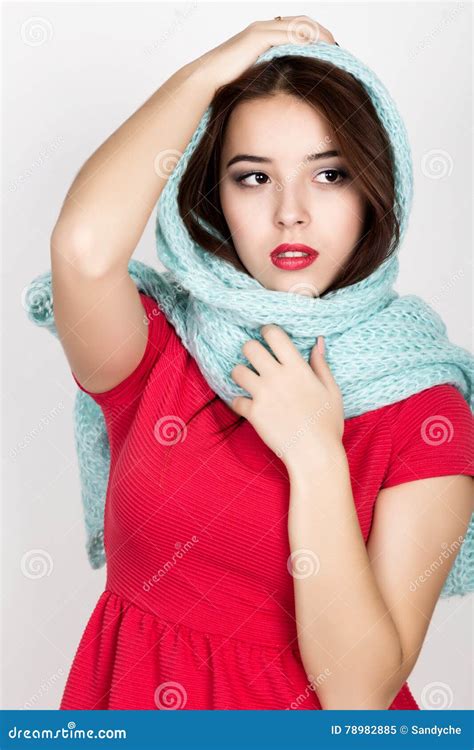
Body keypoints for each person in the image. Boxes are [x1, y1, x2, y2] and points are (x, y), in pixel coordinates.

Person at [49, 16, 473, 710]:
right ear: (214, 198)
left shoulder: (426, 407)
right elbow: (82, 251)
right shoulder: (162, 347)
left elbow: (361, 695)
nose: (290, 214)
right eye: (253, 178)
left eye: (329, 174)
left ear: (376, 193)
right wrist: (211, 70)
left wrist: (314, 455)